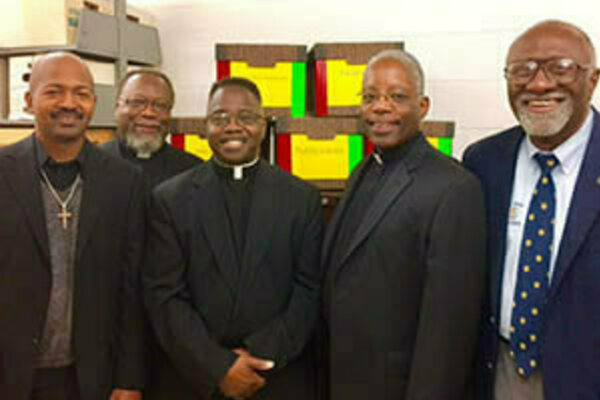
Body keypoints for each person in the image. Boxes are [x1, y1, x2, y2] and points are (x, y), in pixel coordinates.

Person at [143, 77, 324, 400]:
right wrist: (218, 366)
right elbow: (164, 295)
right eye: (220, 117)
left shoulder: (302, 198)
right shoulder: (170, 199)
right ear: (205, 127)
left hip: (276, 376)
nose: (233, 127)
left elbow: (309, 291)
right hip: (195, 378)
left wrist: (256, 357)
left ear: (264, 126)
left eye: (247, 117)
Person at [322, 49, 486, 400]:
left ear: (423, 106)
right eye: (370, 97)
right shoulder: (361, 171)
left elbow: (448, 329)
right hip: (344, 379)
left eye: (397, 97)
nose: (380, 107)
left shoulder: (454, 187)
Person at [463, 20, 600, 400]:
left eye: (560, 68)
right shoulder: (483, 161)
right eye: (522, 70)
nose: (538, 84)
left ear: (593, 78)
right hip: (502, 372)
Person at [0, 52, 145, 400]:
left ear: (94, 102)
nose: (69, 103)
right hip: (10, 374)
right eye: (54, 92)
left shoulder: (124, 182)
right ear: (29, 100)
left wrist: (129, 378)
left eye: (81, 93)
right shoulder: (3, 172)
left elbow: (132, 288)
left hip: (91, 377)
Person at [102, 70, 201, 188]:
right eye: (137, 102)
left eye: (160, 105)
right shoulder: (91, 164)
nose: (149, 113)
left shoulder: (194, 172)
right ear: (117, 107)